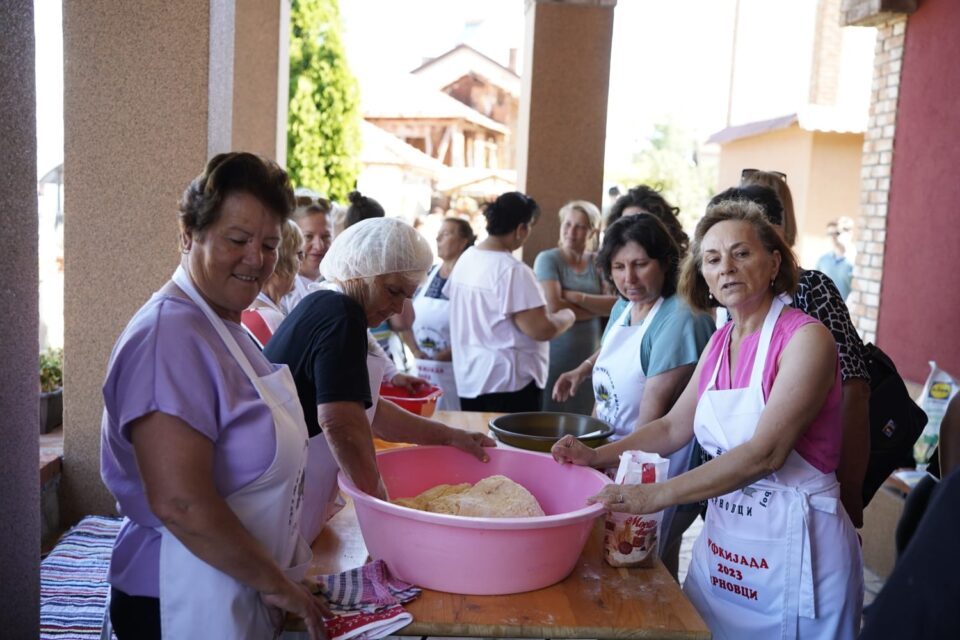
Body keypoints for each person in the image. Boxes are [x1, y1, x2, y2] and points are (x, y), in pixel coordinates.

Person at [553, 199, 862, 639]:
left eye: (742, 253)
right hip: (726, 548)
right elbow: (672, 427)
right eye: (713, 259)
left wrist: (654, 496)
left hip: (799, 550)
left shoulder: (807, 339)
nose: (727, 268)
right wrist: (595, 455)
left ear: (774, 262)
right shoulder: (719, 343)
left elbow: (765, 453)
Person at [100, 153, 329, 639]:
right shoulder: (169, 337)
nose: (257, 259)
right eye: (237, 240)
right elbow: (180, 502)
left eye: (268, 244)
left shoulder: (223, 325)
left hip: (236, 586)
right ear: (188, 233)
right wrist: (276, 583)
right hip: (178, 597)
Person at [264, 217, 495, 543]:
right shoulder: (341, 314)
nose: (397, 307)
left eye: (407, 296)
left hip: (287, 498)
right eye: (392, 290)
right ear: (360, 271)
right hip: (280, 502)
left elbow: (371, 413)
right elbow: (340, 423)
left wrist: (450, 436)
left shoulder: (327, 303)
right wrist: (382, 503)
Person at [552, 214, 714, 578]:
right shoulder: (624, 306)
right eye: (619, 267)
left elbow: (654, 418)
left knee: (639, 567)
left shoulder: (681, 317)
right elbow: (606, 378)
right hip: (611, 454)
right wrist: (590, 445)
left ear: (666, 262)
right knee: (634, 565)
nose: (629, 278)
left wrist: (600, 460)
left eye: (641, 264)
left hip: (654, 464)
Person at [739, 172, 872, 528]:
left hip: (803, 496)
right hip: (738, 495)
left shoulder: (811, 288)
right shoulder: (730, 302)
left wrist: (849, 493)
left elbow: (853, 391)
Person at [447, 191, 576, 412]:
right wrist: (567, 315)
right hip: (509, 383)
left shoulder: (466, 258)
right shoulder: (512, 270)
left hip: (470, 377)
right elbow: (541, 329)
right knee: (510, 446)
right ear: (521, 229)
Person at [533, 200, 616, 414]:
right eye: (567, 224)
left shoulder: (598, 263)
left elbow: (615, 305)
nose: (571, 231)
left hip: (589, 352)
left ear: (592, 231)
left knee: (584, 416)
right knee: (552, 413)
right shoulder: (548, 259)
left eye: (580, 226)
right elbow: (553, 306)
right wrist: (595, 305)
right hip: (555, 353)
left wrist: (574, 296)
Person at [400, 217, 476, 411]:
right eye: (438, 234)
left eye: (446, 233)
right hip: (423, 367)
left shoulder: (471, 277)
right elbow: (402, 315)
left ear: (463, 241)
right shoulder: (428, 274)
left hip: (457, 371)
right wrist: (416, 350)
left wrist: (448, 354)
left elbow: (477, 326)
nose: (437, 238)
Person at [241, 219, 303, 347]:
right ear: (280, 260)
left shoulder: (242, 309)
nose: (300, 262)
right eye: (298, 254)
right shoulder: (268, 319)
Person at [282, 187, 332, 313]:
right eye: (308, 237)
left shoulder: (337, 283)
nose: (319, 246)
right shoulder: (282, 294)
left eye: (326, 236)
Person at [814, 218, 854, 300]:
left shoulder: (856, 261)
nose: (833, 237)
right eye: (830, 234)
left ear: (849, 233)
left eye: (837, 233)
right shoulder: (822, 260)